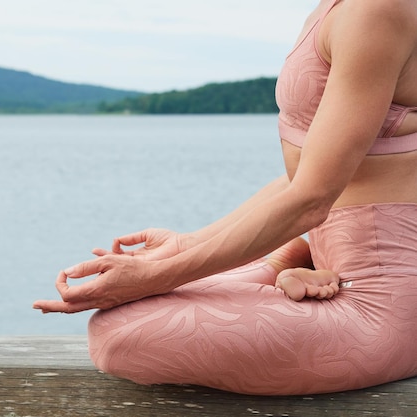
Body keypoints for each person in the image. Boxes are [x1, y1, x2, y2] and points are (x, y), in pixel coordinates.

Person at [33, 0, 417, 395]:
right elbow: (303, 177)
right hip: (340, 272)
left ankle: (279, 269)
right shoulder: (341, 8)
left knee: (118, 333)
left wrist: (154, 276)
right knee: (128, 314)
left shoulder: (376, 9)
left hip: (383, 310)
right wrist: (190, 243)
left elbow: (311, 198)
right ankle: (291, 265)